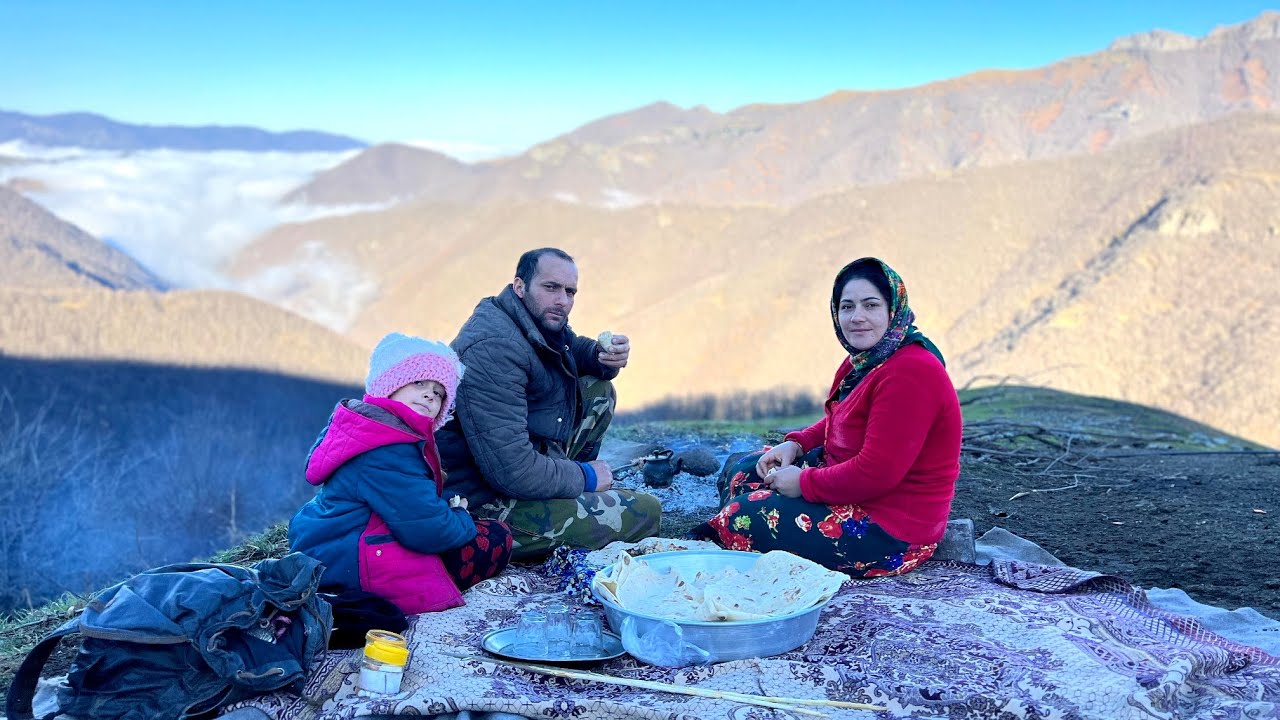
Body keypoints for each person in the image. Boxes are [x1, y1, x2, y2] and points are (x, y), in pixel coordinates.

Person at [691, 257, 962, 577]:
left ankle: (731, 543)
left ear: (893, 310)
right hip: (850, 488)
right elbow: (842, 419)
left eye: (871, 305)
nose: (857, 317)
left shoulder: (911, 373)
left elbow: (876, 474)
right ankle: (747, 536)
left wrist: (804, 483)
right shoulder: (865, 362)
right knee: (743, 471)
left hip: (890, 529)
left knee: (742, 515)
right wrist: (797, 445)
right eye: (847, 307)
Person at [436, 247, 661, 561]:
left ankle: (571, 495)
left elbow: (567, 347)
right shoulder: (493, 347)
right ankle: (560, 508)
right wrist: (586, 477)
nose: (563, 300)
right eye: (551, 287)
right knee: (646, 512)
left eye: (570, 292)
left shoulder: (531, 319)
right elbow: (512, 471)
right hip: (478, 502)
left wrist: (603, 356)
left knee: (599, 389)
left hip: (519, 469)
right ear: (520, 286)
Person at [289, 333, 513, 614]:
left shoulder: (369, 429)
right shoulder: (388, 448)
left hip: (336, 547)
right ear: (391, 384)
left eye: (439, 392)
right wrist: (461, 518)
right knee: (495, 538)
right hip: (356, 566)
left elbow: (411, 505)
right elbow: (428, 530)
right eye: (419, 382)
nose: (431, 394)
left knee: (464, 524)